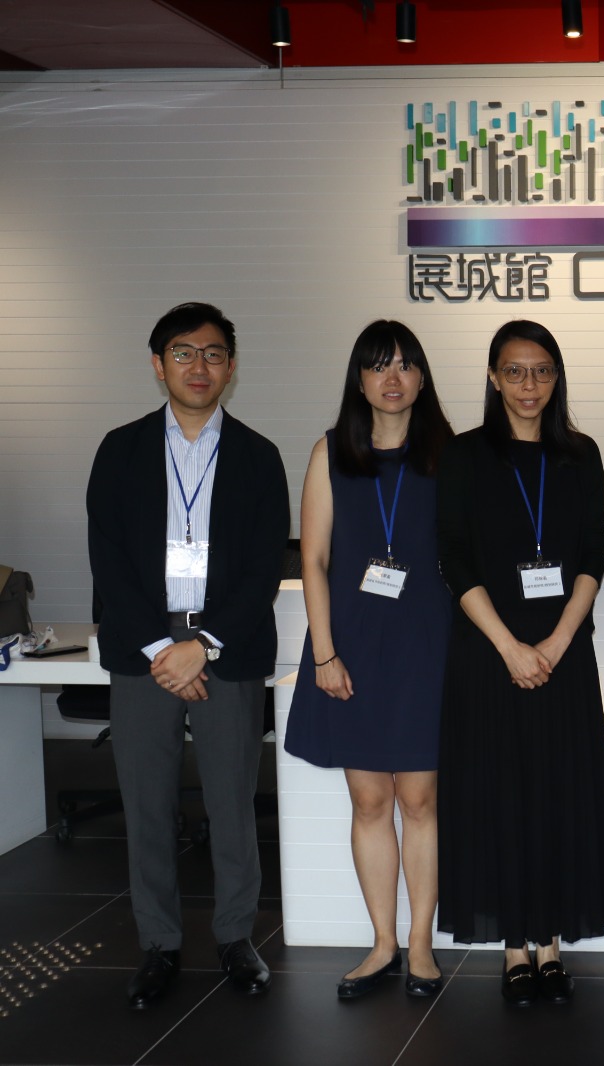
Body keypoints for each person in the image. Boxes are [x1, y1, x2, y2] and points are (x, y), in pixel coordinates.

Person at [86, 302, 289, 1009]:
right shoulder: (121, 449)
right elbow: (108, 559)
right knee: (146, 805)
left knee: (233, 803)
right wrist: (161, 649)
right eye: (183, 352)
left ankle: (235, 937)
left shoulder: (259, 455)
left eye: (212, 354)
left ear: (231, 368)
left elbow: (264, 566)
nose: (198, 366)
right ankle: (159, 944)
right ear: (157, 364)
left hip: (225, 651)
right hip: (144, 652)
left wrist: (201, 647)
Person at [434, 320, 604, 1005]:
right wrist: (510, 647)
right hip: (489, 655)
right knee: (501, 797)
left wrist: (558, 643)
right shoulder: (464, 455)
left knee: (557, 795)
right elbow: (454, 558)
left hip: (562, 654)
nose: (529, 384)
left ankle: (552, 945)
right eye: (514, 371)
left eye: (541, 370)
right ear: (493, 377)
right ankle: (516, 946)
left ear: (556, 376)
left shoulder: (580, 453)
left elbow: (593, 553)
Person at [283, 321, 454, 999]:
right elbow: (313, 559)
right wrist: (324, 652)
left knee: (420, 799)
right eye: (379, 365)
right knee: (369, 798)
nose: (393, 378)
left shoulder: (449, 456)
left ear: (422, 378)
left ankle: (421, 945)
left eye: (406, 365)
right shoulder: (331, 453)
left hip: (426, 644)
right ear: (359, 379)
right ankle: (383, 943)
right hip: (350, 645)